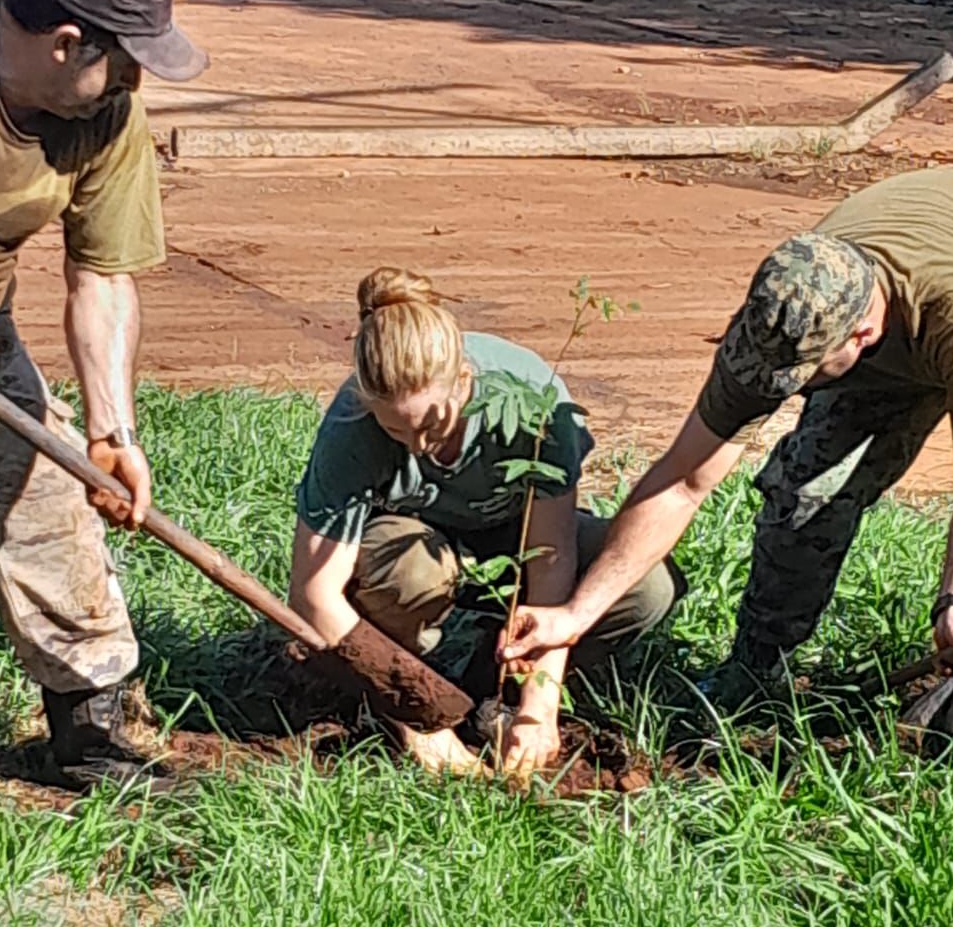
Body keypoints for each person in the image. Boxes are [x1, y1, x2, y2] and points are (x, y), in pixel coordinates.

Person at [501, 167, 953, 781]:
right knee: (802, 487)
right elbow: (682, 479)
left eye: (803, 377)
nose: (785, 392)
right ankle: (759, 666)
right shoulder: (783, 314)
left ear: (863, 334)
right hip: (901, 307)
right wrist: (579, 613)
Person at [0, 0, 208, 785]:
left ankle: (94, 727)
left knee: (48, 503)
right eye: (126, 57)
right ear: (68, 43)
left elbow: (104, 279)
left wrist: (111, 434)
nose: (135, 78)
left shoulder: (106, 121)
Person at [289, 268, 682, 778]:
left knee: (646, 588)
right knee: (412, 571)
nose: (419, 446)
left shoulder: (534, 403)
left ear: (465, 383)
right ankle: (408, 689)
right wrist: (416, 712)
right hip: (415, 556)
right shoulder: (352, 424)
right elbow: (312, 593)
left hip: (513, 546)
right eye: (395, 430)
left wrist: (539, 707)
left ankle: (489, 678)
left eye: (433, 425)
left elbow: (549, 557)